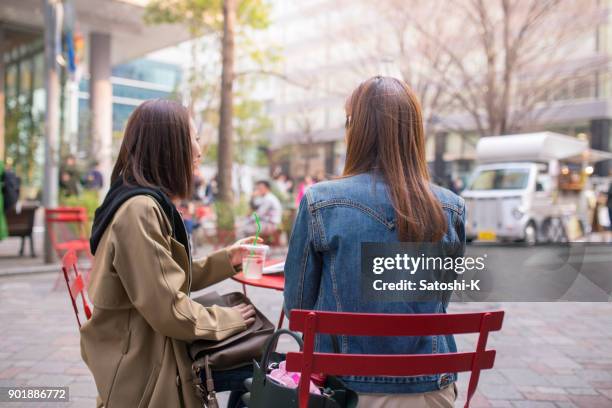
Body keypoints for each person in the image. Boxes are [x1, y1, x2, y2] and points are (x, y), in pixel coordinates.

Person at [284, 76, 465, 408]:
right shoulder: (451, 206)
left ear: (356, 130)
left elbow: (298, 310)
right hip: (431, 389)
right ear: (414, 131)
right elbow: (440, 297)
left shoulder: (320, 201)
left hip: (345, 390)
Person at [81, 99, 260, 408]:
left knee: (258, 352)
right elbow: (168, 310)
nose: (200, 150)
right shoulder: (140, 210)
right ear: (170, 146)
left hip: (145, 343)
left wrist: (226, 260)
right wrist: (226, 320)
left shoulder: (140, 200)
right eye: (195, 139)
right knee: (265, 365)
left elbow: (165, 278)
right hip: (145, 367)